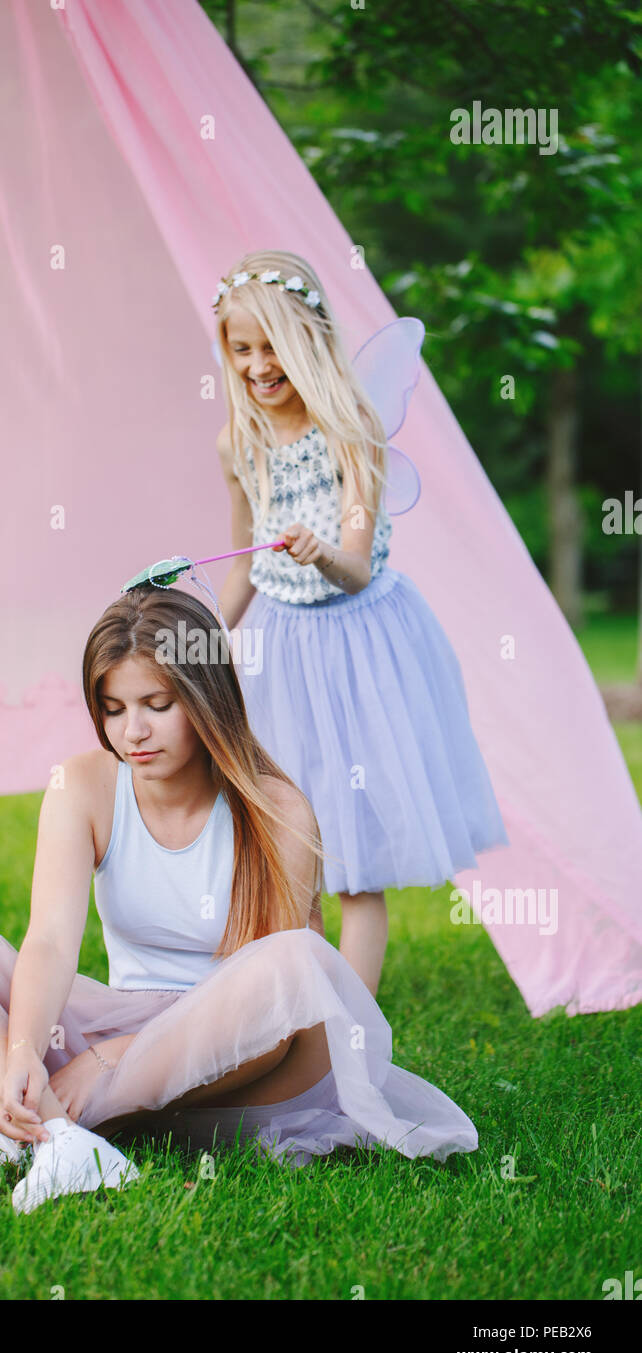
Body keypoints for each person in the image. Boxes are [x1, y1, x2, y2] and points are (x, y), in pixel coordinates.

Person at [0, 586, 478, 1215]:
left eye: (157, 703)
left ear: (207, 698)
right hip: (122, 1023)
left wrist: (105, 1058)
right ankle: (56, 1132)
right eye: (113, 709)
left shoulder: (277, 809)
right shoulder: (83, 785)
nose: (132, 731)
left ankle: (43, 1123)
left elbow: (271, 1009)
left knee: (291, 962)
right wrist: (24, 1050)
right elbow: (52, 941)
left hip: (239, 1062)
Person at [213, 250, 508, 998]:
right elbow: (246, 564)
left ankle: (356, 1030)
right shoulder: (239, 445)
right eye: (240, 348)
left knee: (355, 858)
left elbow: (358, 564)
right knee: (295, 846)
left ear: (307, 338)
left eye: (270, 345)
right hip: (281, 651)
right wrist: (201, 637)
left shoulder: (350, 430)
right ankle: (305, 1021)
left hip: (356, 645)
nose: (256, 365)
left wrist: (320, 554)